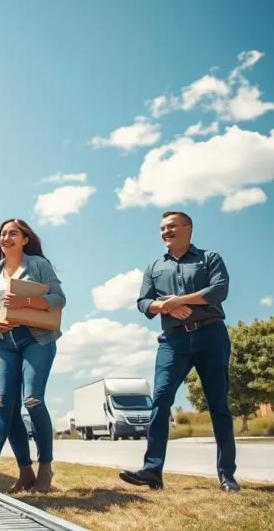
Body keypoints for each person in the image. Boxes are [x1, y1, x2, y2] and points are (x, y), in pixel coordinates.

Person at [119, 211, 239, 493]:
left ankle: (227, 476)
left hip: (210, 334)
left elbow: (219, 290)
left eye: (171, 226)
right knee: (160, 399)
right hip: (173, 341)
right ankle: (152, 471)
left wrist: (179, 300)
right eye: (162, 228)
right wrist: (164, 307)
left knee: (218, 405)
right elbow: (143, 302)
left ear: (188, 228)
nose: (165, 231)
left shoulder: (209, 258)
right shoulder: (154, 267)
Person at [0, 219, 66, 494]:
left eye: (13, 233)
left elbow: (59, 298)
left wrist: (27, 302)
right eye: (2, 234)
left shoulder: (37, 265)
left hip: (37, 339)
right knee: (2, 406)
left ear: (25, 239)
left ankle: (45, 468)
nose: (6, 237)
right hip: (4, 341)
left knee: (33, 401)